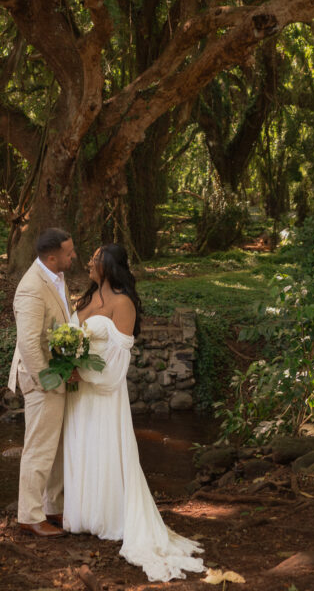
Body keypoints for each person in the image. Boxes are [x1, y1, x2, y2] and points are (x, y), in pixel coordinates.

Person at [63, 243, 205, 581]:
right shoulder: (84, 299)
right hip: (77, 391)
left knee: (103, 449)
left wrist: (81, 372)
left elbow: (117, 361)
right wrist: (65, 361)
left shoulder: (123, 304)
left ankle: (108, 516)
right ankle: (80, 515)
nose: (89, 262)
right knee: (79, 448)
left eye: (95, 259)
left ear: (109, 266)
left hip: (101, 391)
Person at [8, 227, 77, 537]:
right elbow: (28, 342)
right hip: (42, 378)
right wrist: (45, 381)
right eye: (69, 253)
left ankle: (53, 509)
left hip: (58, 372)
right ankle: (30, 516)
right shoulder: (32, 288)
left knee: (57, 446)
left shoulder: (57, 278)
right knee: (39, 447)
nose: (74, 256)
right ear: (52, 257)